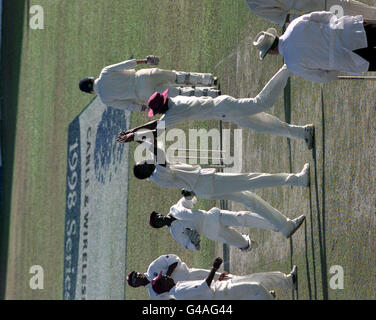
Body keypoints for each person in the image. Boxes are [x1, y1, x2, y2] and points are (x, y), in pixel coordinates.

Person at [118, 135, 309, 238]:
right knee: (254, 179)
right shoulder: (159, 173)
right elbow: (157, 148)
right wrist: (137, 137)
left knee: (248, 198)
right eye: (143, 165)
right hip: (207, 183)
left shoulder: (158, 171)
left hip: (205, 184)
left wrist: (139, 137)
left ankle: (284, 226)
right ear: (144, 174)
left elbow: (156, 145)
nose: (145, 162)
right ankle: (298, 180)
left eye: (143, 161)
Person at [116, 64, 315, 149]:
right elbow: (155, 124)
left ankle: (286, 69)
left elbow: (155, 131)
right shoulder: (173, 104)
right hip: (224, 110)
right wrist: (131, 132)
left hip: (225, 109)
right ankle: (302, 133)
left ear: (161, 108)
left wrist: (132, 136)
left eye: (156, 111)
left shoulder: (174, 113)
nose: (157, 114)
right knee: (264, 124)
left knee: (261, 102)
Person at [149, 194, 305, 253]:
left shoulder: (175, 208)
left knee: (242, 216)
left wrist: (188, 194)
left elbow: (190, 200)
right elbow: (192, 247)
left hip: (213, 216)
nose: (160, 218)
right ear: (159, 226)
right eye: (157, 220)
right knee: (243, 243)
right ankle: (247, 244)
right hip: (212, 232)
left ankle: (278, 225)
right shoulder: (175, 233)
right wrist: (194, 242)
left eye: (158, 215)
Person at [253, 12, 376, 82]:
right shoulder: (294, 24)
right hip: (350, 31)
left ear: (270, 52)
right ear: (274, 36)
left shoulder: (292, 64)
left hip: (348, 59)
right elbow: (326, 16)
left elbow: (324, 77)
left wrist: (335, 66)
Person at [78, 56, 220, 111]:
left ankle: (212, 94)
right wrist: (146, 61)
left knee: (180, 92)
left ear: (90, 91)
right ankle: (209, 80)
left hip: (144, 94)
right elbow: (126, 64)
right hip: (144, 76)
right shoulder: (104, 72)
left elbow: (128, 105)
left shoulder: (105, 99)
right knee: (178, 77)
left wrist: (146, 108)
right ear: (91, 79)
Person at [151, 257, 298, 300]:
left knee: (256, 281)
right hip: (223, 293)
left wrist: (216, 277)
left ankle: (288, 281)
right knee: (256, 286)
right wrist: (214, 268)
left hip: (222, 289)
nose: (164, 275)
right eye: (162, 278)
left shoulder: (177, 288)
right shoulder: (179, 290)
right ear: (163, 285)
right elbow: (203, 287)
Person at [245, 0, 376, 27]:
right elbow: (283, 17)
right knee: (352, 19)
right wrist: (310, 19)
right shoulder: (254, 5)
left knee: (350, 7)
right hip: (317, 9)